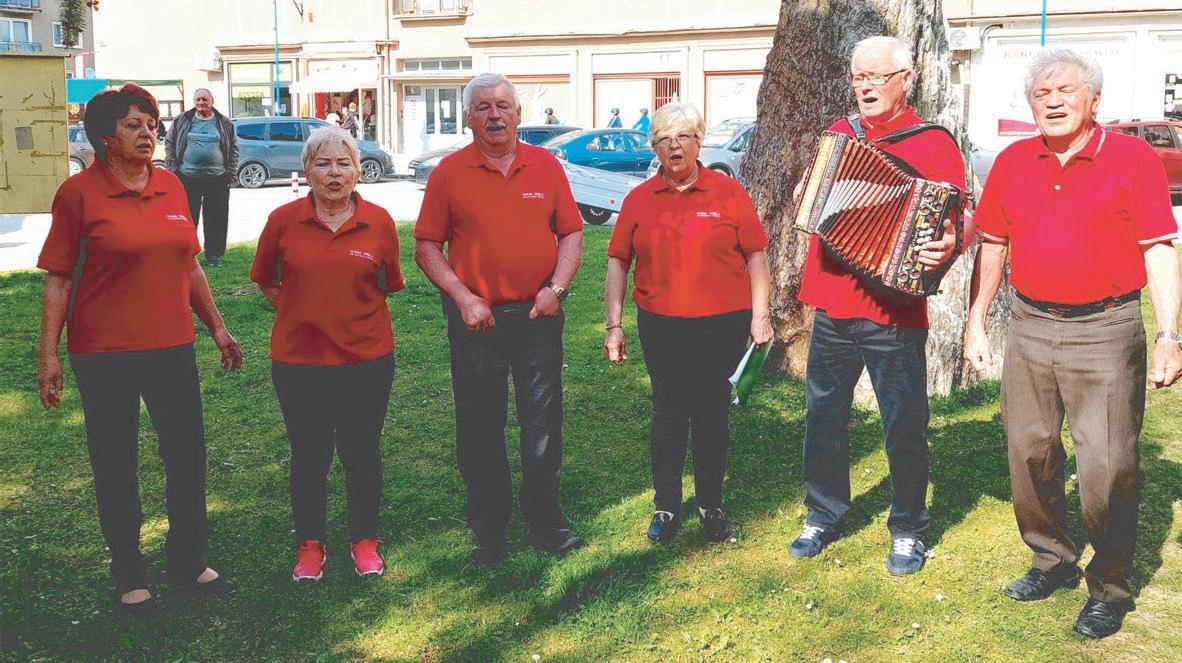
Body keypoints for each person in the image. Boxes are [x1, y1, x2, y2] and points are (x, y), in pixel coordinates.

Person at [964, 48, 1181, 639]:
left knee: (1107, 466)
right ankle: (1051, 558)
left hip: (1105, 330)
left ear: (1094, 100)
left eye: (1066, 91)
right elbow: (992, 243)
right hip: (1030, 325)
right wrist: (977, 319)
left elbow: (1159, 249)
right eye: (1042, 93)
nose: (1053, 101)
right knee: (1029, 451)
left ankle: (1109, 585)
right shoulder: (1013, 161)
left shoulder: (1133, 158)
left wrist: (1169, 335)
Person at [36, 84, 243, 616]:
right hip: (104, 353)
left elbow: (189, 265)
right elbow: (59, 279)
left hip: (172, 347)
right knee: (116, 464)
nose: (147, 133)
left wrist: (218, 329)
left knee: (187, 457)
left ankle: (188, 561)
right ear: (105, 137)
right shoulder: (78, 194)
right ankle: (129, 573)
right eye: (134, 125)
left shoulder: (172, 186)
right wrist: (48, 354)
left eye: (152, 124)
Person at [786, 36, 964, 576]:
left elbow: (959, 222)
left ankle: (908, 527)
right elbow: (806, 199)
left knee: (904, 423)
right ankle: (823, 513)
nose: (864, 87)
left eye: (876, 77)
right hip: (833, 303)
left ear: (905, 79)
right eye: (858, 77)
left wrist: (949, 243)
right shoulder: (840, 135)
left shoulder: (934, 144)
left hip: (895, 312)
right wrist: (805, 194)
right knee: (824, 415)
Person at [414, 73, 585, 567]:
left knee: (543, 421)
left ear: (518, 114)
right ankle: (489, 530)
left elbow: (572, 233)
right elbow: (427, 246)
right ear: (468, 117)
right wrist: (463, 298)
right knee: (479, 425)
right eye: (483, 107)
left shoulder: (546, 166)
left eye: (503, 106)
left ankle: (546, 520)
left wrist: (557, 289)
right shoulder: (449, 173)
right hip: (476, 321)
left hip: (537, 314)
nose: (494, 115)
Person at [604, 102, 771, 544]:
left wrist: (760, 316)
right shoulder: (639, 199)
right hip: (662, 326)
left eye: (683, 137)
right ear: (654, 147)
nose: (674, 146)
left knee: (713, 413)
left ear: (699, 142)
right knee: (669, 413)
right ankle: (666, 505)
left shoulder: (728, 193)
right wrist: (614, 325)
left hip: (722, 324)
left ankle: (710, 504)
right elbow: (618, 261)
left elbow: (756, 255)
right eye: (663, 139)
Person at [250, 125, 404, 583]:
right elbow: (265, 278)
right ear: (307, 170)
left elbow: (386, 284)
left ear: (357, 171)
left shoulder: (379, 222)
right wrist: (302, 312)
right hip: (299, 362)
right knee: (309, 454)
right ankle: (311, 544)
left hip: (367, 360)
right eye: (323, 163)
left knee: (362, 451)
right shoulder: (283, 220)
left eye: (343, 163)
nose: (334, 173)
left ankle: (365, 540)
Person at [165, 88, 238, 268]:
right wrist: (174, 169)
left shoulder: (224, 122)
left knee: (216, 218)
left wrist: (230, 172)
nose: (201, 103)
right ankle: (188, 252)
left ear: (212, 101)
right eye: (198, 99)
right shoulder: (182, 120)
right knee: (188, 218)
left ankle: (214, 255)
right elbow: (170, 143)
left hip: (218, 178)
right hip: (187, 177)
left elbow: (234, 148)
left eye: (204, 99)